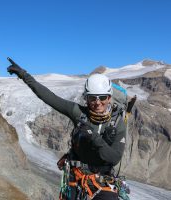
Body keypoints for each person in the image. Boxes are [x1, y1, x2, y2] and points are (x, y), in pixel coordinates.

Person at [7, 58, 126, 200]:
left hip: (102, 181)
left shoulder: (118, 122)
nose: (97, 102)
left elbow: (114, 158)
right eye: (92, 98)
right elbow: (48, 97)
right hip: (76, 177)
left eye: (102, 97)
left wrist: (92, 136)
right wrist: (24, 75)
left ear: (109, 97)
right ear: (86, 99)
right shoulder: (78, 113)